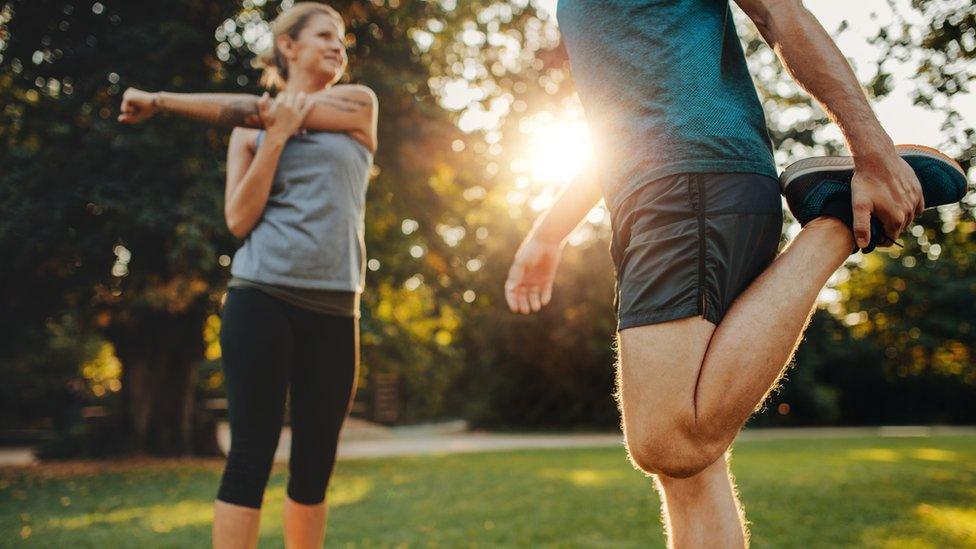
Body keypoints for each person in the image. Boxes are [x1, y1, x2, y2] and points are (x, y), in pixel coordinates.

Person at [504, 0, 968, 546]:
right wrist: (547, 234)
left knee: (667, 442)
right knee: (690, 475)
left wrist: (872, 152)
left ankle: (834, 224)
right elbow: (617, 129)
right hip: (658, 196)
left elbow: (778, 12)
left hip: (691, 182)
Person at [119, 3, 378, 547]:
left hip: (335, 307)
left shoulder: (358, 105)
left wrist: (167, 102)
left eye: (343, 40)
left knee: (315, 463)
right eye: (325, 36)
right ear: (289, 46)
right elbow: (239, 220)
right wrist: (276, 138)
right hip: (261, 296)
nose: (338, 47)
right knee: (250, 454)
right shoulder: (249, 132)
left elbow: (262, 110)